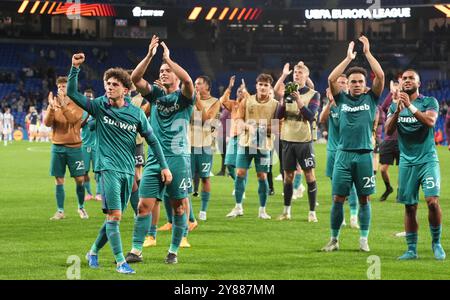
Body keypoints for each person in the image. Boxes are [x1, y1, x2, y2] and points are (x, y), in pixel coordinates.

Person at [68, 53, 170, 274]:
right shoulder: (98, 106)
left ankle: (93, 251)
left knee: (114, 217)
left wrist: (164, 166)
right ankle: (121, 261)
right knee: (114, 216)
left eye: (115, 84)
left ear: (126, 90)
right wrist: (75, 68)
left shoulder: (136, 114)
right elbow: (71, 93)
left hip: (128, 171)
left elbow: (153, 140)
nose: (110, 87)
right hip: (107, 169)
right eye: (108, 84)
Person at [129, 35, 195, 264]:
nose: (164, 72)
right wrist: (150, 56)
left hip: (178, 159)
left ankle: (173, 251)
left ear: (175, 74)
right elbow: (135, 78)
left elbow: (188, 82)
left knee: (178, 207)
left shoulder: (185, 98)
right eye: (162, 69)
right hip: (155, 158)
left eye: (168, 70)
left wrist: (169, 58)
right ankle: (136, 251)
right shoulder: (155, 96)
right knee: (143, 204)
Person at [322, 36, 385, 252]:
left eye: (360, 82)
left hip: (365, 155)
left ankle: (363, 240)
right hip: (343, 155)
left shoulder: (371, 99)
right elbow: (331, 79)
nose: (357, 85)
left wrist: (367, 53)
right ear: (347, 84)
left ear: (365, 84)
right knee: (338, 198)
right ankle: (334, 240)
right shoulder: (341, 100)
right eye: (353, 82)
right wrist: (348, 58)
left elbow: (382, 76)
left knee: (365, 199)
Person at [385, 69, 445, 260]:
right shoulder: (395, 106)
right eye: (404, 78)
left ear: (419, 84)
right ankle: (411, 250)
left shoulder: (429, 102)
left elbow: (429, 121)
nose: (408, 81)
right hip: (407, 163)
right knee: (410, 207)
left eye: (412, 78)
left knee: (432, 202)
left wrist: (410, 106)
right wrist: (398, 111)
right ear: (400, 83)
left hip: (427, 160)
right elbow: (388, 130)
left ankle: (436, 243)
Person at [226, 73, 278, 219]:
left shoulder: (275, 104)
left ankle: (262, 210)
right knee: (240, 173)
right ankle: (238, 207)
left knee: (262, 176)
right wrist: (249, 127)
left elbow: (277, 127)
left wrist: (262, 128)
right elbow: (238, 120)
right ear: (256, 86)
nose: (262, 87)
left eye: (266, 85)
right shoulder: (247, 101)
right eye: (260, 84)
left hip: (264, 146)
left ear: (270, 88)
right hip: (245, 143)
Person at [274, 62, 320, 222]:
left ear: (306, 76)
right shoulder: (288, 92)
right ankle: (286, 211)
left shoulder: (313, 94)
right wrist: (282, 100)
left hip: (304, 141)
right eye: (295, 73)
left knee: (309, 175)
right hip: (287, 139)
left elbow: (311, 116)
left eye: (300, 73)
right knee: (288, 176)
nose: (297, 75)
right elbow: (278, 116)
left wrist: (299, 101)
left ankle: (312, 212)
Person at [43, 77, 87, 220]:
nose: (61, 88)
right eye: (59, 86)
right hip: (57, 147)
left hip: (74, 147)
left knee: (80, 179)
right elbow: (47, 123)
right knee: (59, 179)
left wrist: (62, 105)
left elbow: (74, 120)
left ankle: (81, 207)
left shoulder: (78, 102)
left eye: (64, 86)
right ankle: (60, 211)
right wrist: (50, 107)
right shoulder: (54, 103)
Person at [319, 74, 359, 229]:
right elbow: (322, 119)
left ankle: (354, 216)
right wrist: (329, 103)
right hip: (333, 150)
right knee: (336, 185)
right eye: (339, 83)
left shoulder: (351, 104)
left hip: (349, 150)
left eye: (344, 82)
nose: (341, 85)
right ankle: (340, 216)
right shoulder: (332, 105)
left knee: (352, 185)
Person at [190, 75, 221, 221]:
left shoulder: (215, 102)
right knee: (185, 179)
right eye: (195, 83)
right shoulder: (189, 100)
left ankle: (203, 211)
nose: (196, 86)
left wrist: (196, 101)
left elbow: (207, 119)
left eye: (199, 84)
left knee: (205, 178)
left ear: (207, 86)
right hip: (188, 145)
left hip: (205, 146)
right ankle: (186, 211)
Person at [221, 76, 247, 199]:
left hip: (245, 136)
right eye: (239, 91)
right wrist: (230, 87)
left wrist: (246, 91)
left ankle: (241, 189)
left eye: (242, 91)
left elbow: (251, 100)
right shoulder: (233, 104)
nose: (240, 93)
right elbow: (223, 101)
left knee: (242, 166)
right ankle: (239, 184)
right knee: (229, 165)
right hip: (233, 137)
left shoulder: (248, 104)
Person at [379, 80, 401, 201]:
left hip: (401, 141)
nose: (396, 90)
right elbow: (382, 108)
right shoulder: (389, 104)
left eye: (398, 88)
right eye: (394, 88)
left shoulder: (405, 102)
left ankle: (400, 190)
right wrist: (390, 94)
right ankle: (388, 188)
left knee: (401, 169)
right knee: (382, 169)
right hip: (388, 141)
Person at [80, 89, 102, 202]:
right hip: (84, 145)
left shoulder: (98, 110)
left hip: (96, 145)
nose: (88, 98)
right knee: (84, 171)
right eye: (86, 96)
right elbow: (80, 125)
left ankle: (99, 193)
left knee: (98, 171)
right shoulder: (81, 111)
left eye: (90, 96)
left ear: (93, 98)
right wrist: (88, 114)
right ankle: (88, 193)